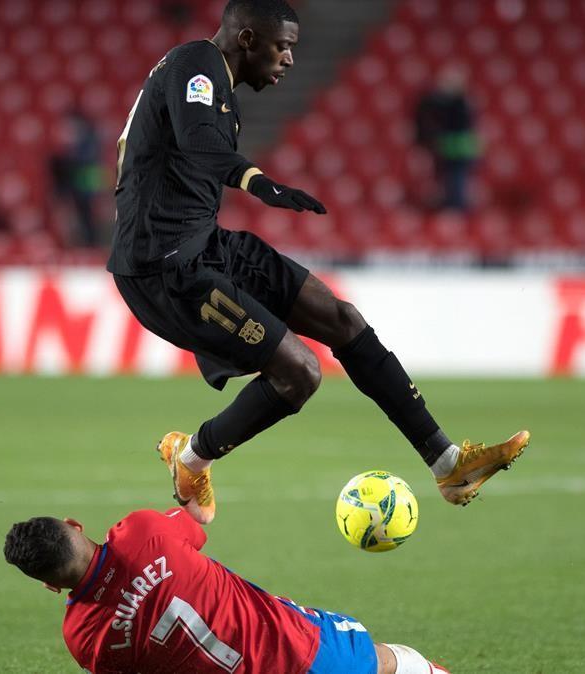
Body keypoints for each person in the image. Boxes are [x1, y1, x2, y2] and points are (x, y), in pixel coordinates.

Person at [108, 0, 529, 525]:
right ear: (245, 39)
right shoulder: (196, 63)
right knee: (300, 374)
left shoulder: (215, 85)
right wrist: (257, 181)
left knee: (342, 320)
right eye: (282, 46)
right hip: (166, 268)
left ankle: (448, 464)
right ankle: (190, 457)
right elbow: (198, 145)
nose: (288, 60)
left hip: (204, 245)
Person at [4, 508, 451, 673]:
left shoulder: (82, 639)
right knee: (393, 661)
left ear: (48, 584)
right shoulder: (140, 531)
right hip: (302, 653)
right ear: (74, 525)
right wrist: (188, 469)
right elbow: (200, 514)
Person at [414, 66, 480, 211]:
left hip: (459, 148)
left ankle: (456, 207)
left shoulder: (460, 102)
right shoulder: (447, 101)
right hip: (448, 147)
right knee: (446, 179)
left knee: (457, 180)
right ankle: (449, 205)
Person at [50, 110, 105, 247]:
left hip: (86, 200)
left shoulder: (91, 153)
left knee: (90, 222)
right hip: (71, 197)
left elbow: (96, 187)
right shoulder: (58, 160)